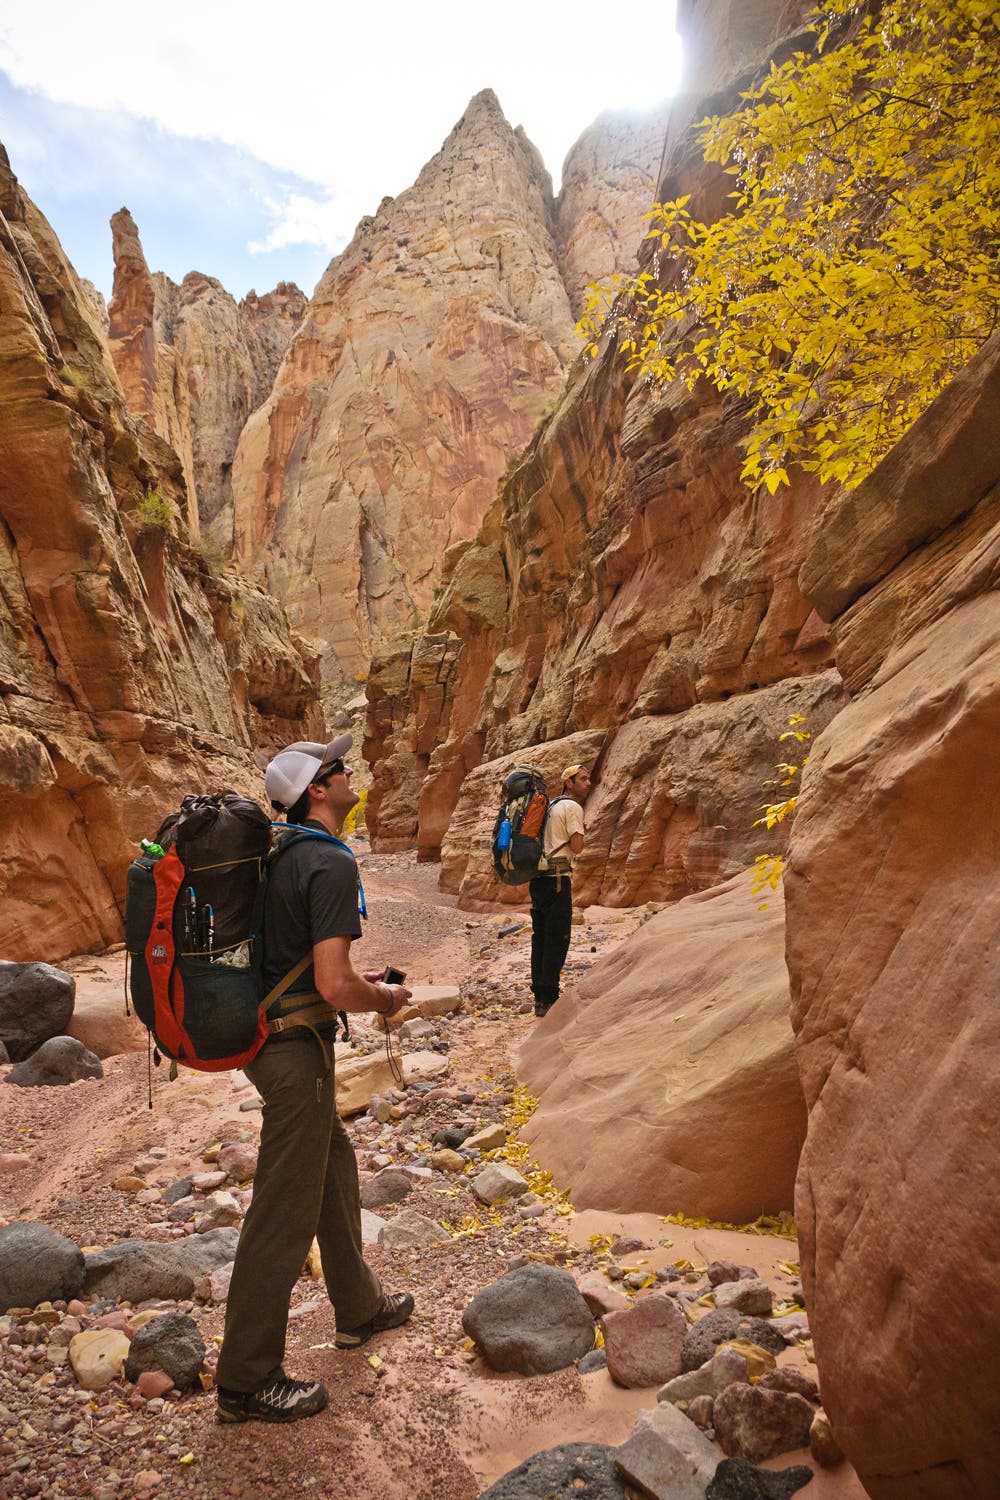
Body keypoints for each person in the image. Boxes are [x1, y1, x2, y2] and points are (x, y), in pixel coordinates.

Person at [216, 734, 414, 1424]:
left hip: (271, 1039)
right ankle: (245, 1379)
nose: (350, 771)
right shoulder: (326, 860)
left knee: (333, 1164)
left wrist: (365, 986)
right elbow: (333, 983)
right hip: (295, 1049)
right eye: (338, 768)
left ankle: (359, 1306)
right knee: (284, 1205)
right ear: (318, 792)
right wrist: (384, 999)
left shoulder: (282, 853)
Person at [529, 763, 591, 1018]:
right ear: (569, 782)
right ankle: (549, 998)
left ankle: (539, 997)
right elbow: (577, 847)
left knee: (540, 937)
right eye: (583, 779)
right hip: (557, 878)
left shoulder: (549, 806)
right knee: (557, 938)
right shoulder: (572, 807)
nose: (588, 784)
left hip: (537, 879)